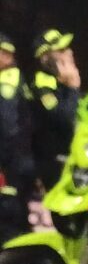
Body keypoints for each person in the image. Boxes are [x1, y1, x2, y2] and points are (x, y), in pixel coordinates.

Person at [27, 29, 80, 191]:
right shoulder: (42, 84)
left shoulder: (60, 82)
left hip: (66, 158)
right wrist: (73, 88)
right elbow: (65, 117)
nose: (69, 52)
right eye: (61, 50)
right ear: (46, 59)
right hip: (49, 162)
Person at [0, 33, 32, 242]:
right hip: (21, 158)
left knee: (8, 214)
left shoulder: (8, 79)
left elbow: (8, 123)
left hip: (12, 160)